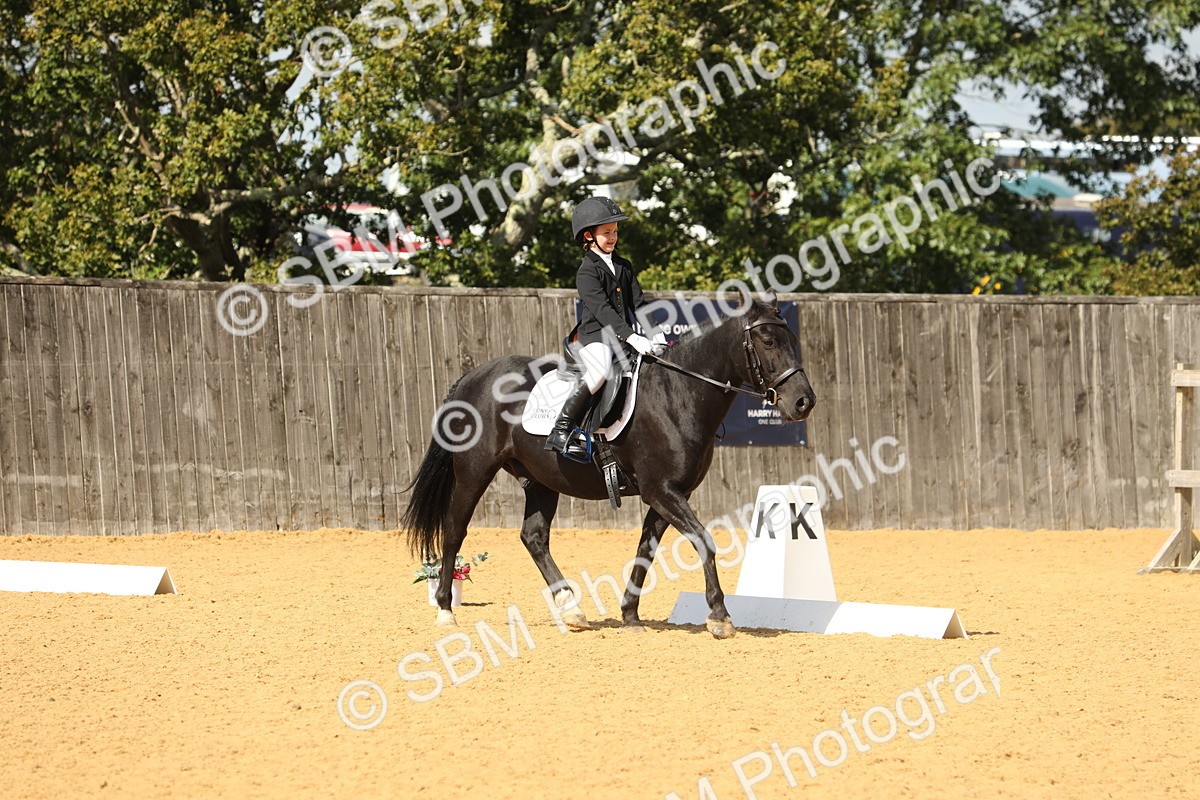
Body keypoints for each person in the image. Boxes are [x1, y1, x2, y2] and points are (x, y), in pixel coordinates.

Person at [545, 196, 663, 454]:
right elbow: (603, 311)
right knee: (598, 373)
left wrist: (657, 334)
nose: (612, 237)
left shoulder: (624, 266)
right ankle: (561, 429)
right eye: (606, 233)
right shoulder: (586, 272)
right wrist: (633, 337)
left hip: (621, 339)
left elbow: (640, 304)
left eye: (615, 232)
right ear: (589, 236)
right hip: (595, 337)